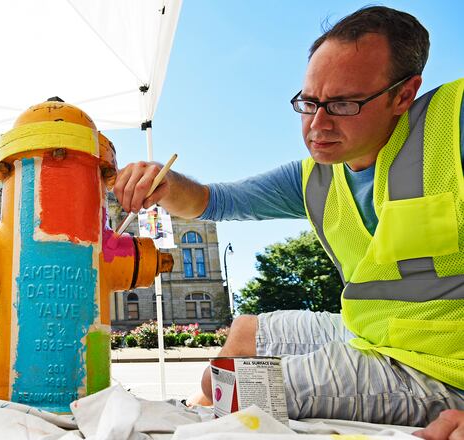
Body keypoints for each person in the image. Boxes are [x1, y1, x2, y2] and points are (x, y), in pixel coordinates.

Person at [113, 6, 463, 428]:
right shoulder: (314, 177)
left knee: (240, 390)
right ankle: (195, 411)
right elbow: (215, 200)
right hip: (372, 336)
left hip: (442, 368)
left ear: (404, 95)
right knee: (242, 335)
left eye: (343, 104)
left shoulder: (453, 124)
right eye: (309, 102)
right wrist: (166, 186)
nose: (318, 124)